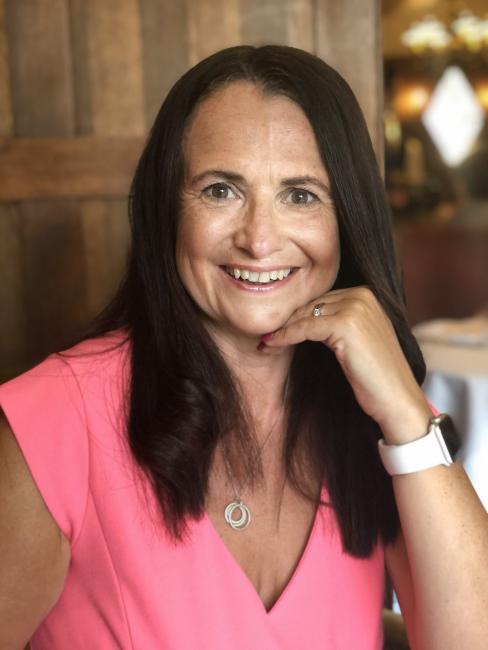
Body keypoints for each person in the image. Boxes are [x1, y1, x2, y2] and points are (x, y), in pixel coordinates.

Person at [0, 45, 487, 650]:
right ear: (166, 209)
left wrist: (407, 415)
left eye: (301, 195)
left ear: (349, 221)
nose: (259, 239)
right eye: (221, 190)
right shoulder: (54, 422)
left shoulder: (367, 422)